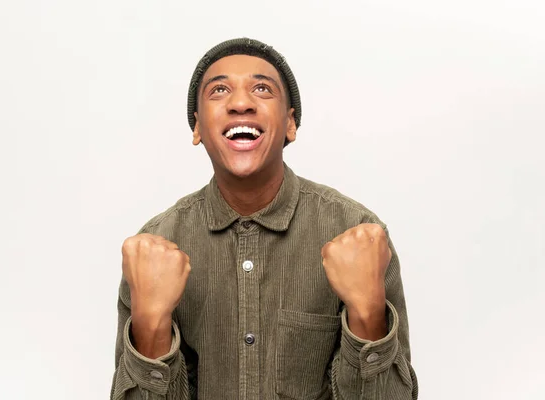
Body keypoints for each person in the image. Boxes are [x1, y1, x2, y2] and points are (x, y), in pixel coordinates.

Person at [110, 38, 418, 400]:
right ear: (196, 127)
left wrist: (367, 318)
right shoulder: (155, 245)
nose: (241, 103)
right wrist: (150, 326)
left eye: (262, 89)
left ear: (290, 123)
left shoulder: (358, 233)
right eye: (220, 90)